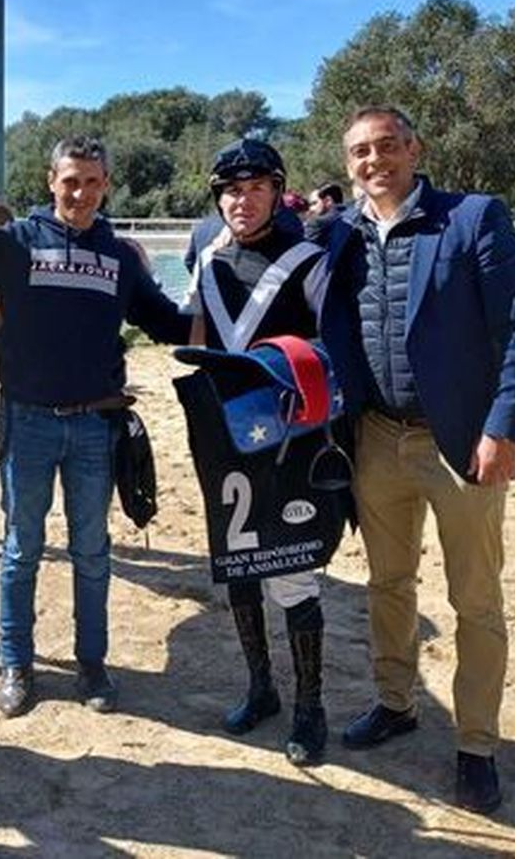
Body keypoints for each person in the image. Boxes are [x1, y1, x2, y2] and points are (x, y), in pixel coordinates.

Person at [320, 106, 515, 814]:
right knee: (388, 584)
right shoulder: (339, 234)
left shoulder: (473, 219)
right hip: (376, 438)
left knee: (475, 600)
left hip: (461, 443)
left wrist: (504, 426)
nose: (374, 160)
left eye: (388, 145)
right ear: (347, 162)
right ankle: (396, 702)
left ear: (415, 148)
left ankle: (476, 745)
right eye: (360, 151)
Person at [0, 136, 192, 718]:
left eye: (93, 182)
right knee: (22, 549)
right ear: (52, 181)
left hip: (96, 427)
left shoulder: (120, 258)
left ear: (105, 186)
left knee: (92, 552)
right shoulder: (16, 243)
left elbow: (168, 322)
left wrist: (243, 320)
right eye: (71, 181)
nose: (81, 193)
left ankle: (92, 663)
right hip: (28, 423)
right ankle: (16, 665)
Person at [182, 138, 333, 766]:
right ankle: (262, 689)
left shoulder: (309, 261)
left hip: (292, 437)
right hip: (225, 438)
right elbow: (194, 338)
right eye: (230, 191)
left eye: (254, 189)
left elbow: (331, 347)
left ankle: (310, 707)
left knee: (294, 571)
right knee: (238, 563)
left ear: (277, 192)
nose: (241, 201)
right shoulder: (209, 265)